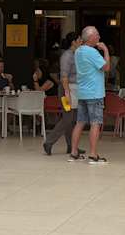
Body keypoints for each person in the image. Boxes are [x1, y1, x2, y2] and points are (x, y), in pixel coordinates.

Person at [69, 26, 109, 164]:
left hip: (82, 92)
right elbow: (106, 67)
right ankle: (93, 155)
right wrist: (105, 50)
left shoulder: (78, 51)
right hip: (94, 93)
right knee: (95, 123)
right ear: (90, 37)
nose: (99, 37)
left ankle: (74, 152)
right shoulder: (92, 52)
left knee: (80, 122)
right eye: (97, 35)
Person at [42, 31, 79, 156]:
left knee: (72, 119)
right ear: (74, 42)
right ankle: (49, 142)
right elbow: (64, 76)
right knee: (68, 118)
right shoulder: (67, 56)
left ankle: (71, 145)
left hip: (74, 90)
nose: (81, 41)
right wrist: (67, 92)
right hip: (66, 90)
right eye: (79, 39)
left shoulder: (75, 54)